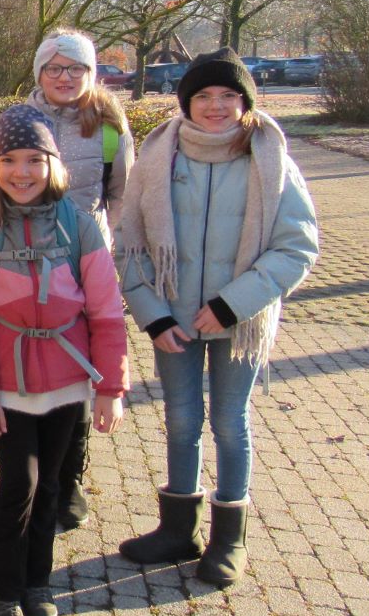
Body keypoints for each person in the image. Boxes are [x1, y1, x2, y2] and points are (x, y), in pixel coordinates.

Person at [117, 49, 318, 587]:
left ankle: (230, 538)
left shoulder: (269, 158)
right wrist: (154, 317)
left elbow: (296, 247)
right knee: (181, 420)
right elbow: (129, 246)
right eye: (203, 96)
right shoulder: (160, 154)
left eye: (228, 96)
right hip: (174, 321)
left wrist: (233, 304)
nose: (215, 106)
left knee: (231, 423)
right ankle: (176, 529)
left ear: (246, 101)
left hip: (239, 319)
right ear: (186, 101)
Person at [0, 104, 128, 616]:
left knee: (51, 485)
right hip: (8, 384)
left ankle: (37, 583)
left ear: (53, 165)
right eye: (10, 160)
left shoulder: (79, 225)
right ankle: (2, 590)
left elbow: (106, 308)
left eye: (34, 160)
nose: (22, 172)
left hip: (69, 381)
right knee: (18, 485)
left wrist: (110, 388)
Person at [27, 29, 136, 532]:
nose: (65, 78)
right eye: (55, 68)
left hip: (86, 265)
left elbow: (123, 199)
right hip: (23, 264)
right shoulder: (18, 120)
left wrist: (113, 263)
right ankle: (26, 477)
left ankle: (68, 481)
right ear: (40, 73)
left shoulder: (110, 127)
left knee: (77, 374)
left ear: (91, 75)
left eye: (76, 70)